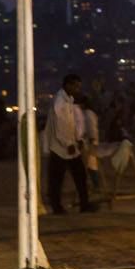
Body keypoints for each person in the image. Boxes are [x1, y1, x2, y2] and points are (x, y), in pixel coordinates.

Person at [44, 73, 96, 214]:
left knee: (80, 176)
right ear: (68, 85)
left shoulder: (69, 100)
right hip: (60, 148)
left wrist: (77, 139)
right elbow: (59, 128)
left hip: (70, 146)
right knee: (57, 180)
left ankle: (84, 205)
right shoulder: (59, 103)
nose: (78, 89)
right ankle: (57, 207)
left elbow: (71, 125)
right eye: (76, 86)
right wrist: (69, 144)